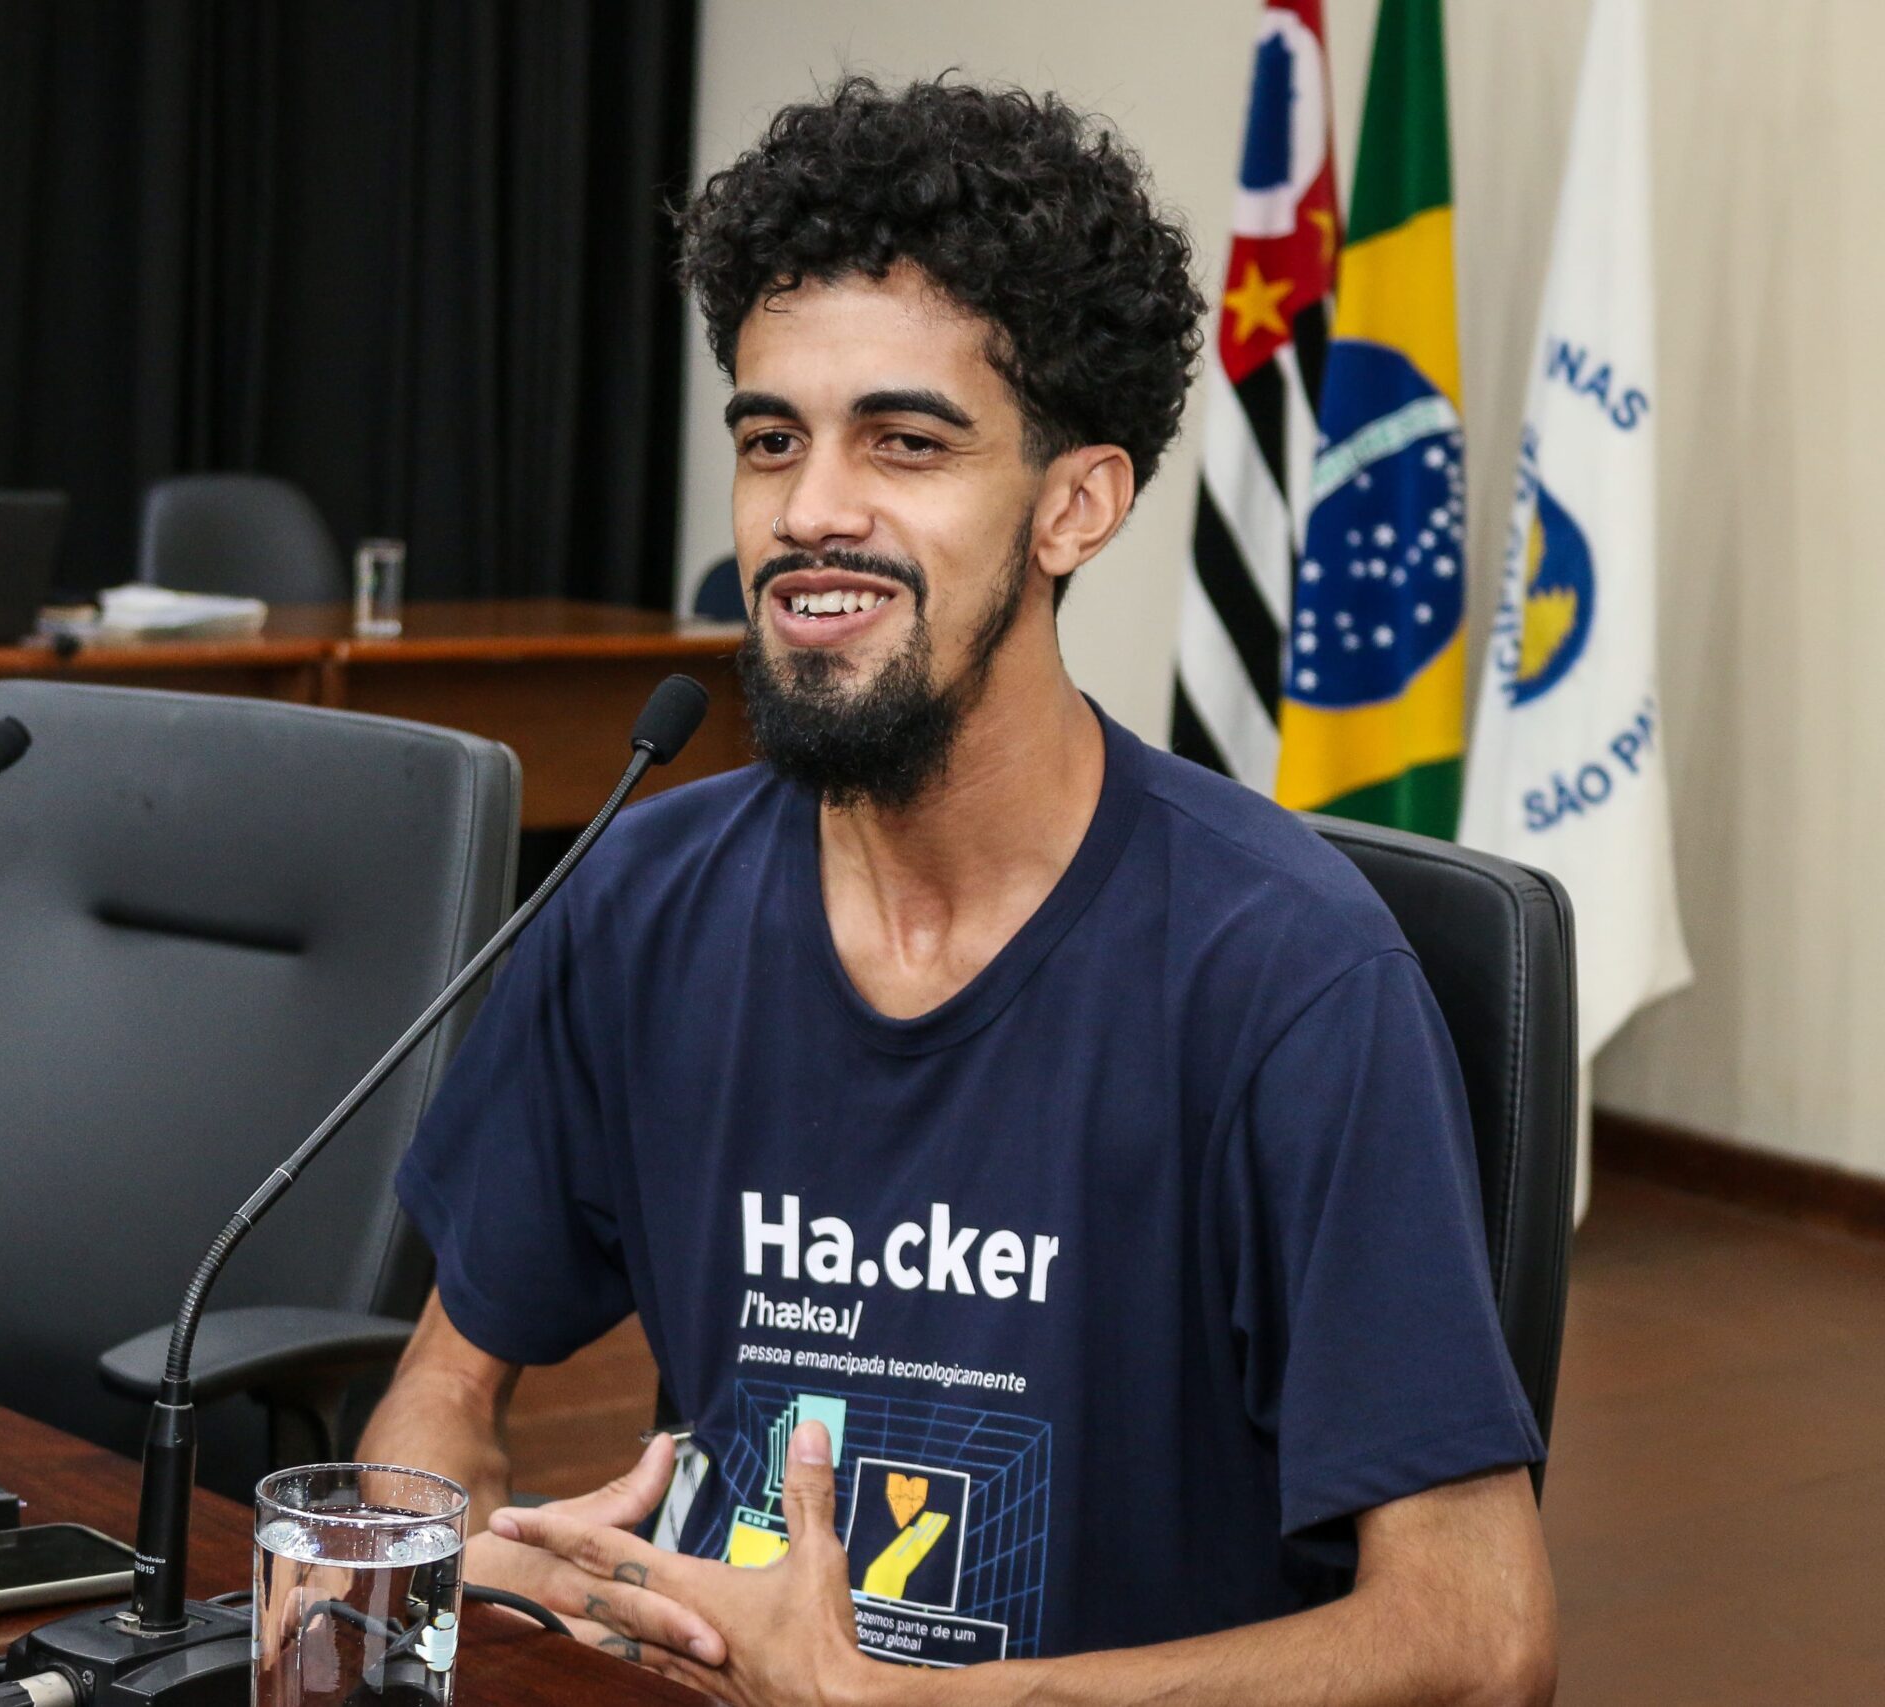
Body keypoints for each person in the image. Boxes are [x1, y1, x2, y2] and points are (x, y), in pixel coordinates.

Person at [359, 76, 1556, 1706]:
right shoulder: (642, 892)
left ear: (1079, 504)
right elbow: (438, 1399)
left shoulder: (1289, 974)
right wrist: (464, 1573)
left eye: (905, 443)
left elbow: (1483, 1634)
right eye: (770, 439)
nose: (811, 513)